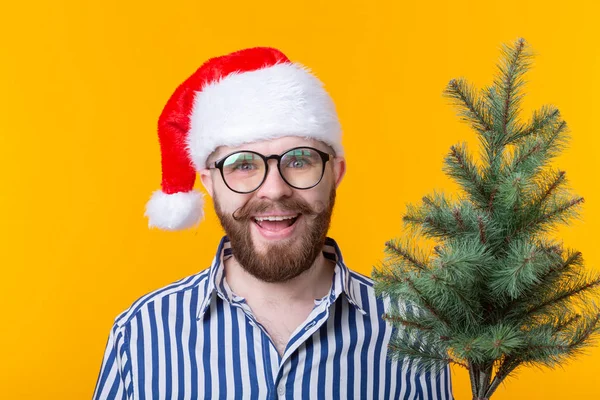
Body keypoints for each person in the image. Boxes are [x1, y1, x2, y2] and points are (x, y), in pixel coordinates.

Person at [93, 47, 453, 399]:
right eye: (244, 165)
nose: (275, 190)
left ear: (335, 173)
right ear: (209, 182)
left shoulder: (414, 328)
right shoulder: (141, 334)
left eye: (299, 161)